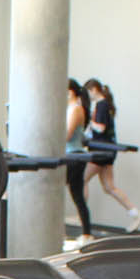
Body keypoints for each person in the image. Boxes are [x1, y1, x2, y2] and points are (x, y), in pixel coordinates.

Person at [79, 78, 140, 230]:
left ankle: (82, 215)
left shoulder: (101, 105)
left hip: (101, 151)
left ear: (94, 89)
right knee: (109, 187)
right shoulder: (105, 105)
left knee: (81, 180)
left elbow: (100, 128)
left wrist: (87, 121)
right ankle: (135, 212)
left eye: (88, 93)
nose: (89, 97)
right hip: (109, 151)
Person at [62, 81, 95, 234]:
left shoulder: (75, 109)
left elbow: (68, 135)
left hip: (74, 155)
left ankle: (86, 234)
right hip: (72, 154)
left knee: (67, 193)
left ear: (71, 92)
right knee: (78, 196)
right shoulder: (70, 109)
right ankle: (86, 233)